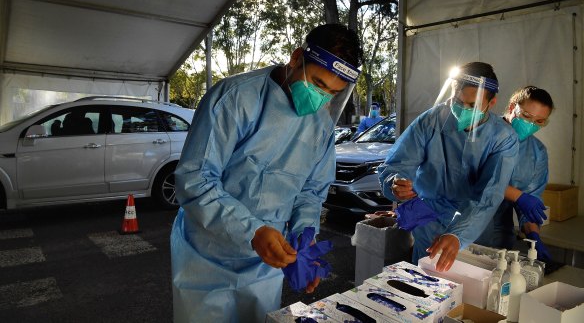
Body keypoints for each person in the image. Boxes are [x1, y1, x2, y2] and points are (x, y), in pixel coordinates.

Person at [170, 24, 362, 322]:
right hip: (206, 256)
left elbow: (311, 193)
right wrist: (253, 231)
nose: (320, 98)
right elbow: (195, 180)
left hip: (264, 263)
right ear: (296, 58)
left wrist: (303, 242)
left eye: (332, 93)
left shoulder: (321, 126)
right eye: (318, 83)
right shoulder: (235, 98)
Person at [377, 62, 519, 272]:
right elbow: (398, 162)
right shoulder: (432, 120)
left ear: (492, 102)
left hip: (473, 225)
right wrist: (396, 183)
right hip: (428, 218)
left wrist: (458, 234)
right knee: (424, 285)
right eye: (457, 102)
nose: (462, 111)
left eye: (472, 106)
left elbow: (489, 194)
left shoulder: (503, 138)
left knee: (469, 289)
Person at [474, 86, 554, 261]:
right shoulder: (481, 131)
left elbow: (530, 203)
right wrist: (518, 196)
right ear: (512, 107)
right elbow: (473, 178)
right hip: (464, 224)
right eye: (526, 116)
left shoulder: (537, 152)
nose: (531, 124)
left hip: (500, 234)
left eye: (539, 121)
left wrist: (533, 235)